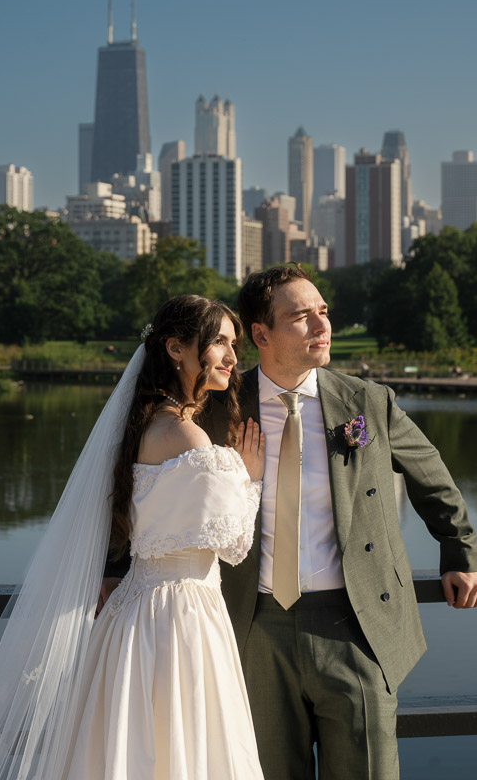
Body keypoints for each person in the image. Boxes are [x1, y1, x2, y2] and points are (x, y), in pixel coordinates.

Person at [0, 295, 265, 780]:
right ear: (177, 348)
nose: (232, 356)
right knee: (183, 745)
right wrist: (248, 479)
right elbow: (231, 542)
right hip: (180, 616)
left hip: (136, 612)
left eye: (234, 344)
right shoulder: (186, 437)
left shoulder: (147, 425)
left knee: (130, 745)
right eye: (220, 342)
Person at [202, 264, 477, 780]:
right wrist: (114, 568)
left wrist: (460, 552)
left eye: (323, 312)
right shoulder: (216, 408)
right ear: (260, 334)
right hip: (253, 625)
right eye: (301, 317)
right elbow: (154, 492)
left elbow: (434, 480)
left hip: (356, 624)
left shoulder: (368, 403)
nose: (322, 326)